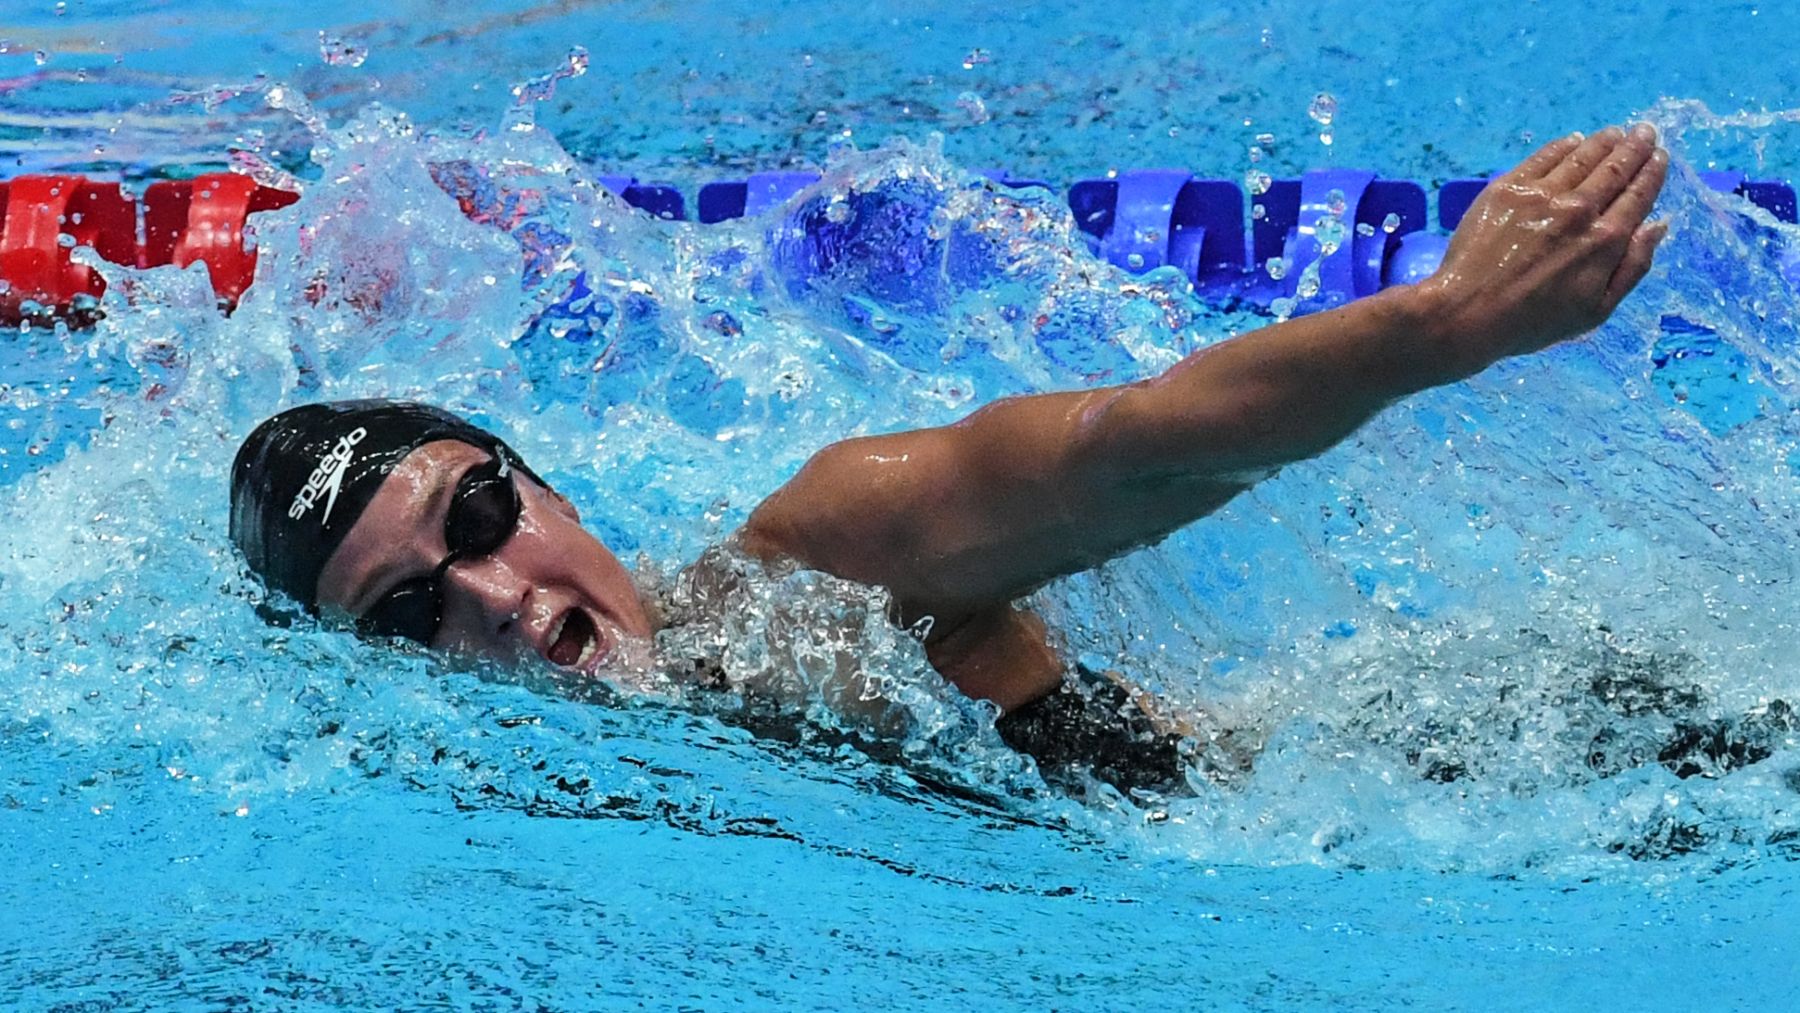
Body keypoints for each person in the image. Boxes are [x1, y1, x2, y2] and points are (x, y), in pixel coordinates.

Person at [229, 124, 1670, 792]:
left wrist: (1441, 327)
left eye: (477, 513)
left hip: (1509, 777)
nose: (483, 593)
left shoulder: (810, 574)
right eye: (409, 613)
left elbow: (1126, 454)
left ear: (543, 481)